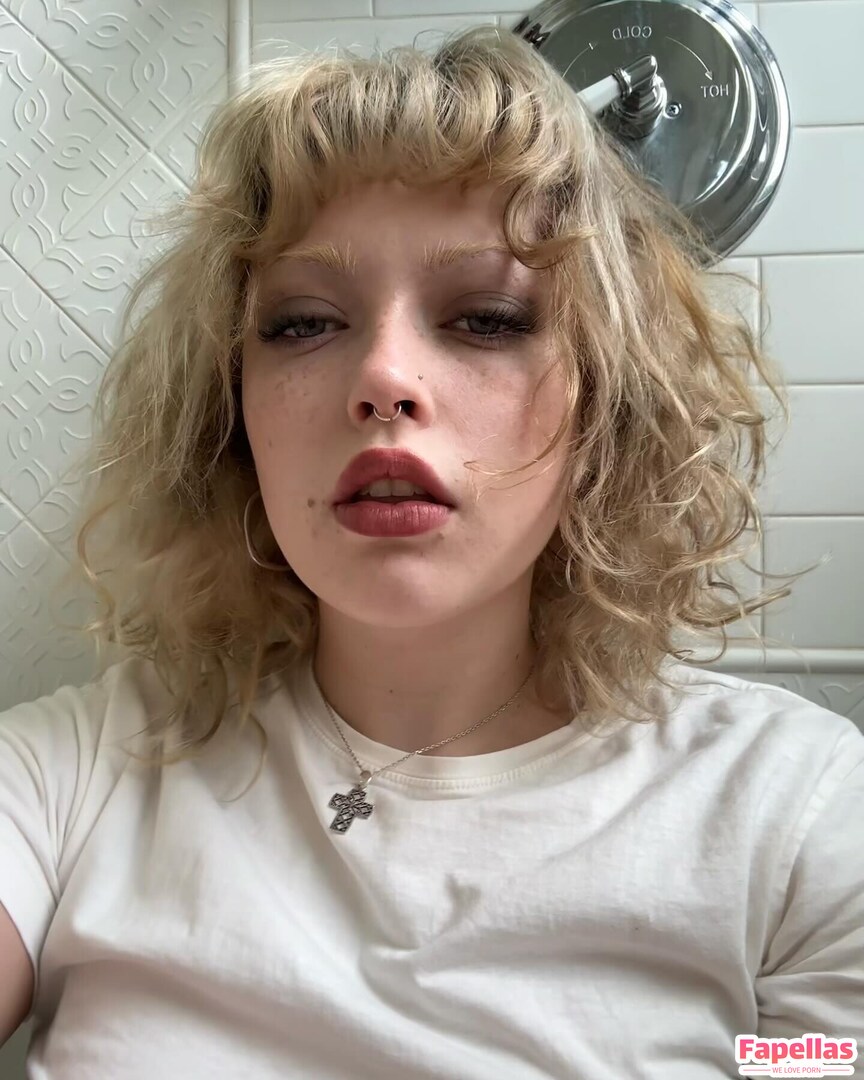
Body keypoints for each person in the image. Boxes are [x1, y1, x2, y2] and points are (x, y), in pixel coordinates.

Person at [0, 25, 861, 1080]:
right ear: (232, 411)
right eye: (303, 323)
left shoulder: (797, 814)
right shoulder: (74, 776)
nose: (385, 377)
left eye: (487, 319)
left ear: (606, 404)